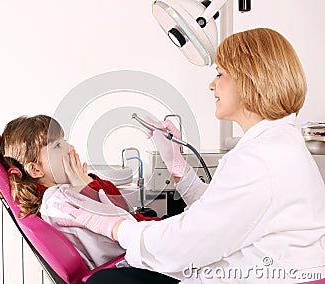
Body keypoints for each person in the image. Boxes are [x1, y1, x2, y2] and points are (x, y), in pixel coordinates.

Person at [52, 28, 325, 283]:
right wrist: (177, 165)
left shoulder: (258, 158)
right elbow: (222, 213)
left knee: (106, 281)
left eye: (220, 74)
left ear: (249, 79)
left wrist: (114, 227)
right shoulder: (278, 144)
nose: (211, 85)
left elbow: (185, 244)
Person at [0, 114, 159, 269]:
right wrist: (86, 188)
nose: (70, 148)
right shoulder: (60, 200)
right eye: (57, 146)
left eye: (64, 141)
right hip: (140, 256)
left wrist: (85, 185)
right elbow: (126, 221)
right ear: (36, 169)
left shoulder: (60, 195)